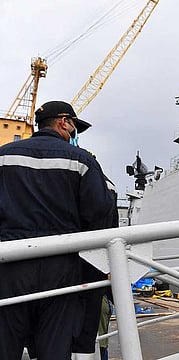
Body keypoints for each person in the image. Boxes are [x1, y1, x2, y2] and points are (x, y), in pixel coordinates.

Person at [0, 100, 115, 359]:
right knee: (54, 344)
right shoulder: (82, 160)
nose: (74, 132)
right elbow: (99, 213)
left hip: (9, 265)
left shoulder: (4, 156)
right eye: (74, 125)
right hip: (61, 268)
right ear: (64, 122)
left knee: (5, 342)